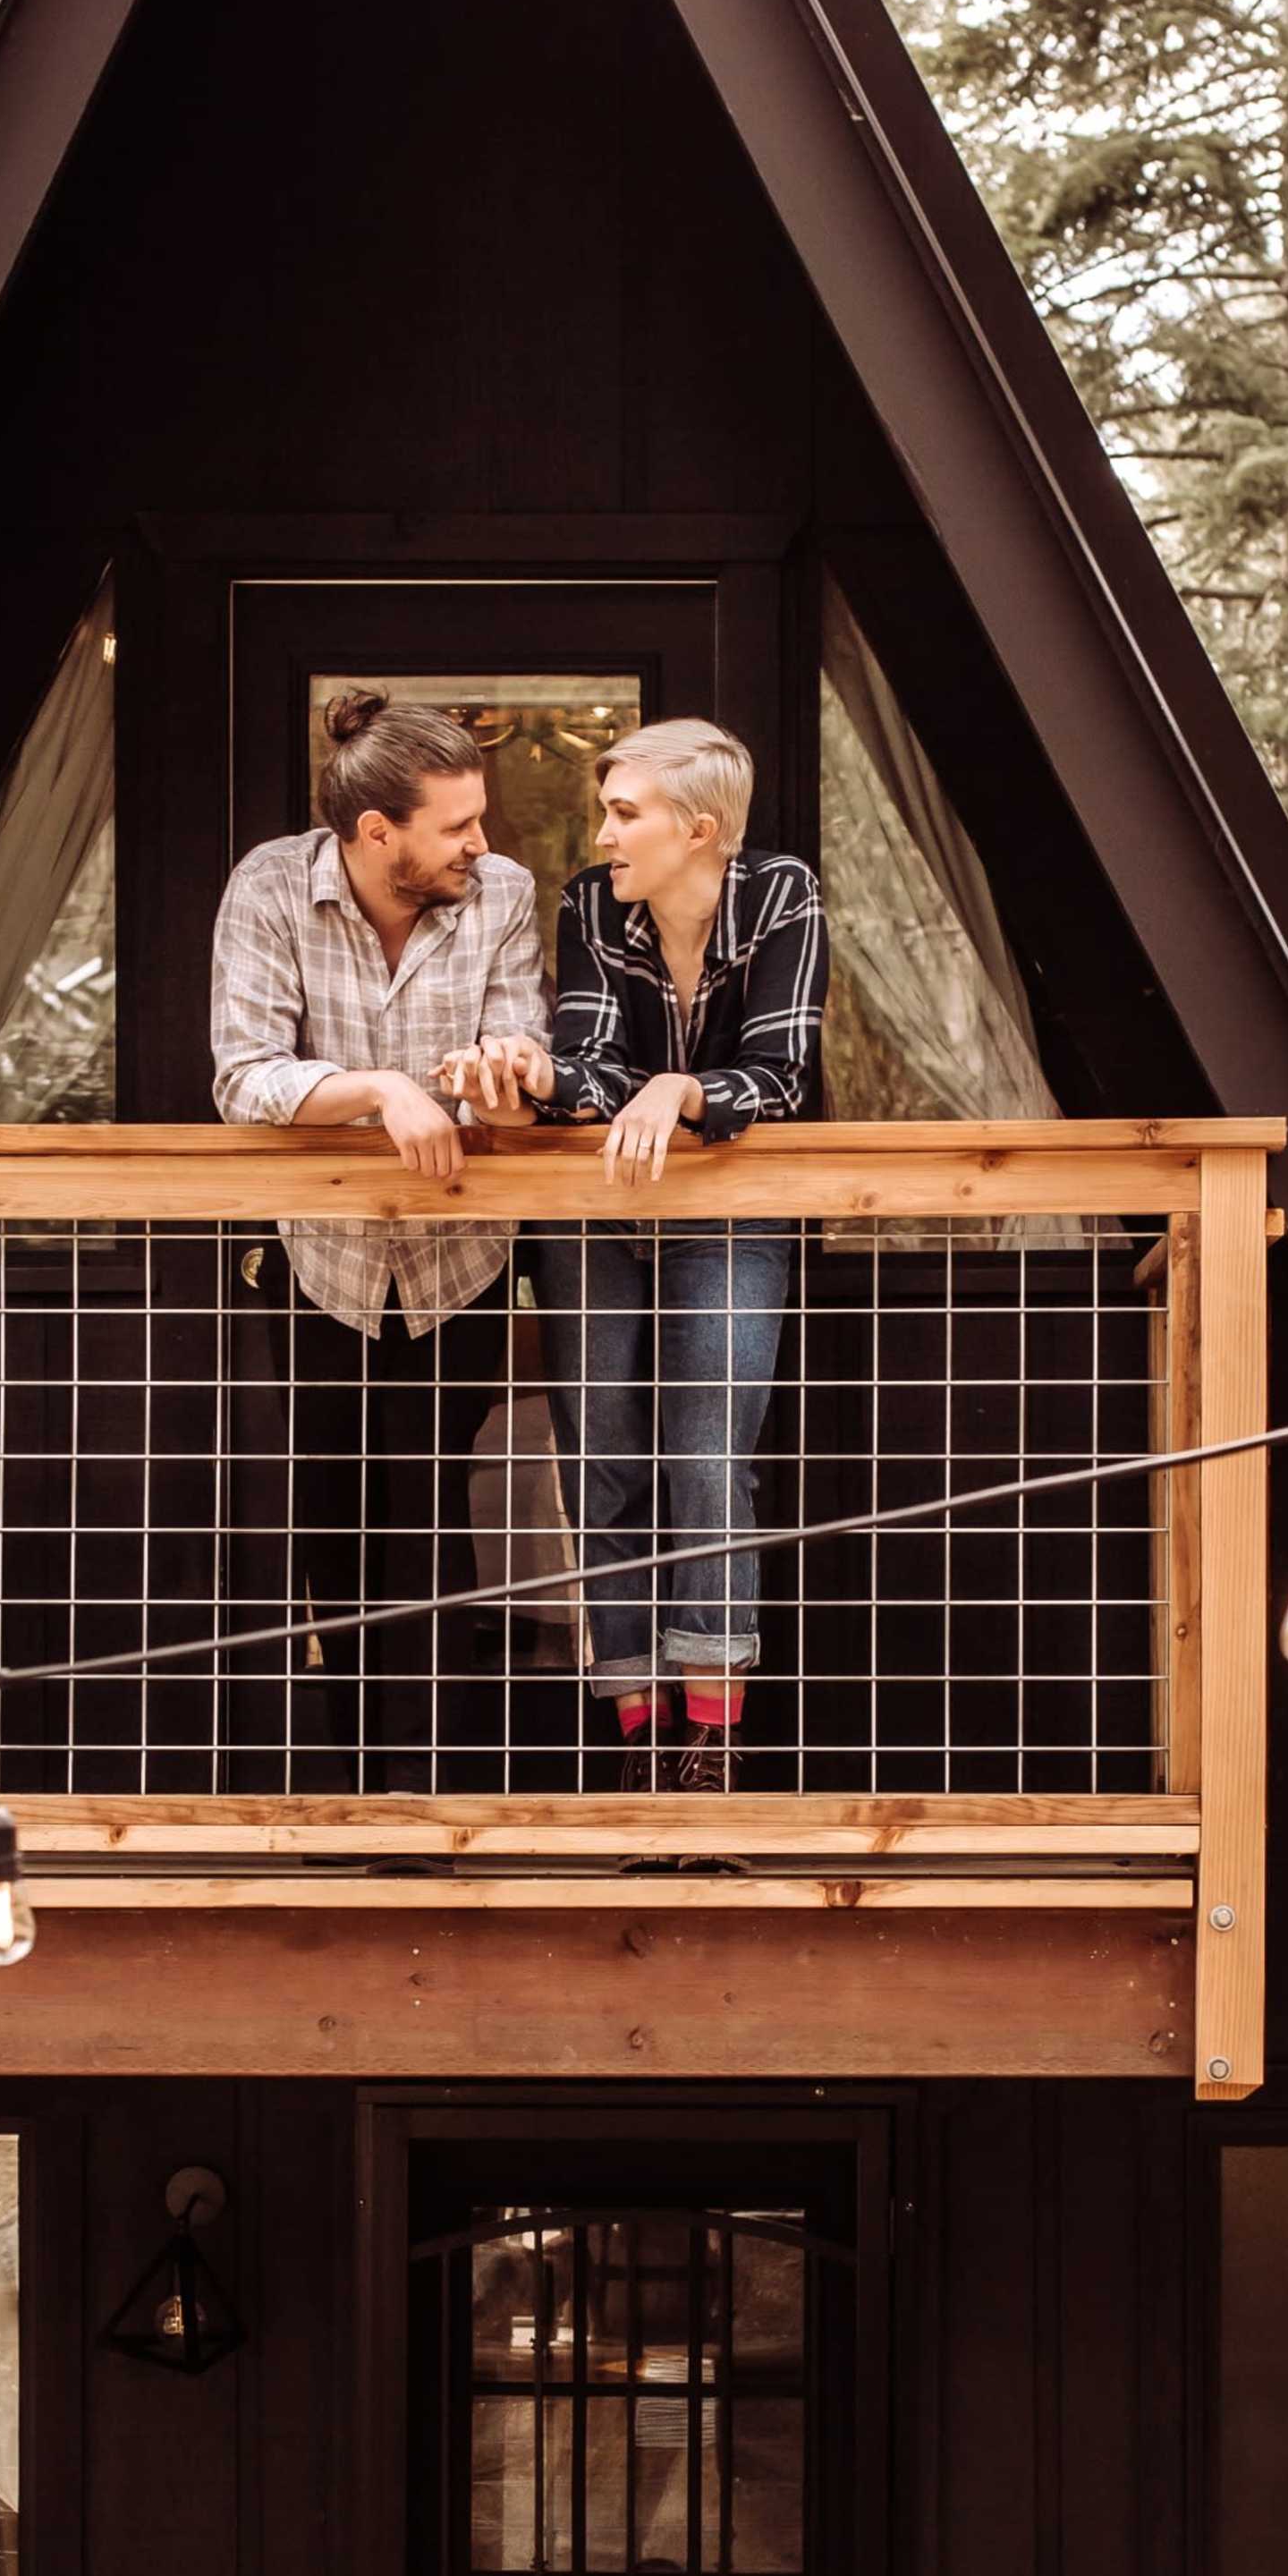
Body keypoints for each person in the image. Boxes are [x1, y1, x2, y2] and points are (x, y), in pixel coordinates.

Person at [209, 690, 555, 1780]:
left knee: (437, 1513)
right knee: (331, 1511)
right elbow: (244, 1077)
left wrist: (504, 1090)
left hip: (464, 1261)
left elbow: (522, 1066)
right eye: (456, 825)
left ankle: (422, 1788)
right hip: (320, 1261)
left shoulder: (500, 893)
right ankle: (342, 1776)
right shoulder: (269, 885)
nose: (481, 842)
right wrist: (381, 1092)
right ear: (375, 834)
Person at [530, 720, 828, 1790]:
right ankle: (636, 1731)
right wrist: (535, 1078)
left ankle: (711, 1736)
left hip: (733, 1213)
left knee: (706, 1464)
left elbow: (781, 1072)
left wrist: (684, 1087)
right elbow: (589, 1064)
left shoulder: (780, 894)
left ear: (700, 830)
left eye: (625, 813)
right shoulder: (587, 905)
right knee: (600, 1466)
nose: (604, 833)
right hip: (595, 1212)